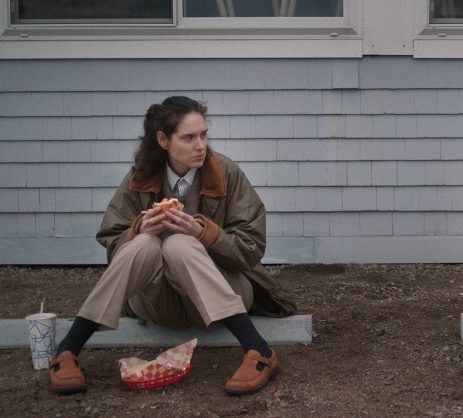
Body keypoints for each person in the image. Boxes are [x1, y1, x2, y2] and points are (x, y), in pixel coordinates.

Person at [49, 96, 298, 395]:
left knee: (180, 243)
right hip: (160, 302)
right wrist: (138, 229)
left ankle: (259, 350)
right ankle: (68, 349)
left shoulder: (226, 172)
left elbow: (251, 247)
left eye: (204, 135)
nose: (200, 145)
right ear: (163, 140)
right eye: (189, 138)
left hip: (223, 294)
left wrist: (204, 234)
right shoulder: (140, 176)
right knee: (144, 243)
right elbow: (112, 241)